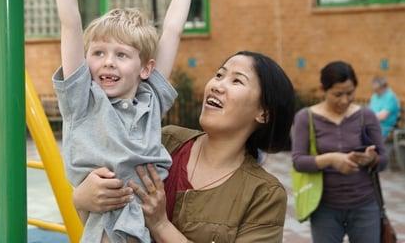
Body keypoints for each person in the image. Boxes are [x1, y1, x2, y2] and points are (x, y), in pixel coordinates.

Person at [42, 0, 201, 243]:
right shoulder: (83, 100)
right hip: (106, 221)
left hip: (147, 219)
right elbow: (70, 22)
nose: (107, 63)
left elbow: (171, 29)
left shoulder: (150, 97)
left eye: (121, 55)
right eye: (98, 53)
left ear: (145, 68)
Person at [73, 51, 296, 242]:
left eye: (236, 81)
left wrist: (161, 226)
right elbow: (103, 220)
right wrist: (82, 198)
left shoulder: (265, 194)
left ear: (263, 113)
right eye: (219, 75)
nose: (218, 85)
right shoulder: (164, 142)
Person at [292, 61, 388, 243]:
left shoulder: (366, 116)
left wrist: (371, 159)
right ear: (323, 89)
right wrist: (331, 159)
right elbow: (298, 161)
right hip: (324, 208)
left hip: (365, 206)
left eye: (350, 93)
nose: (344, 100)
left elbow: (383, 160)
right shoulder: (306, 118)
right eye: (337, 94)